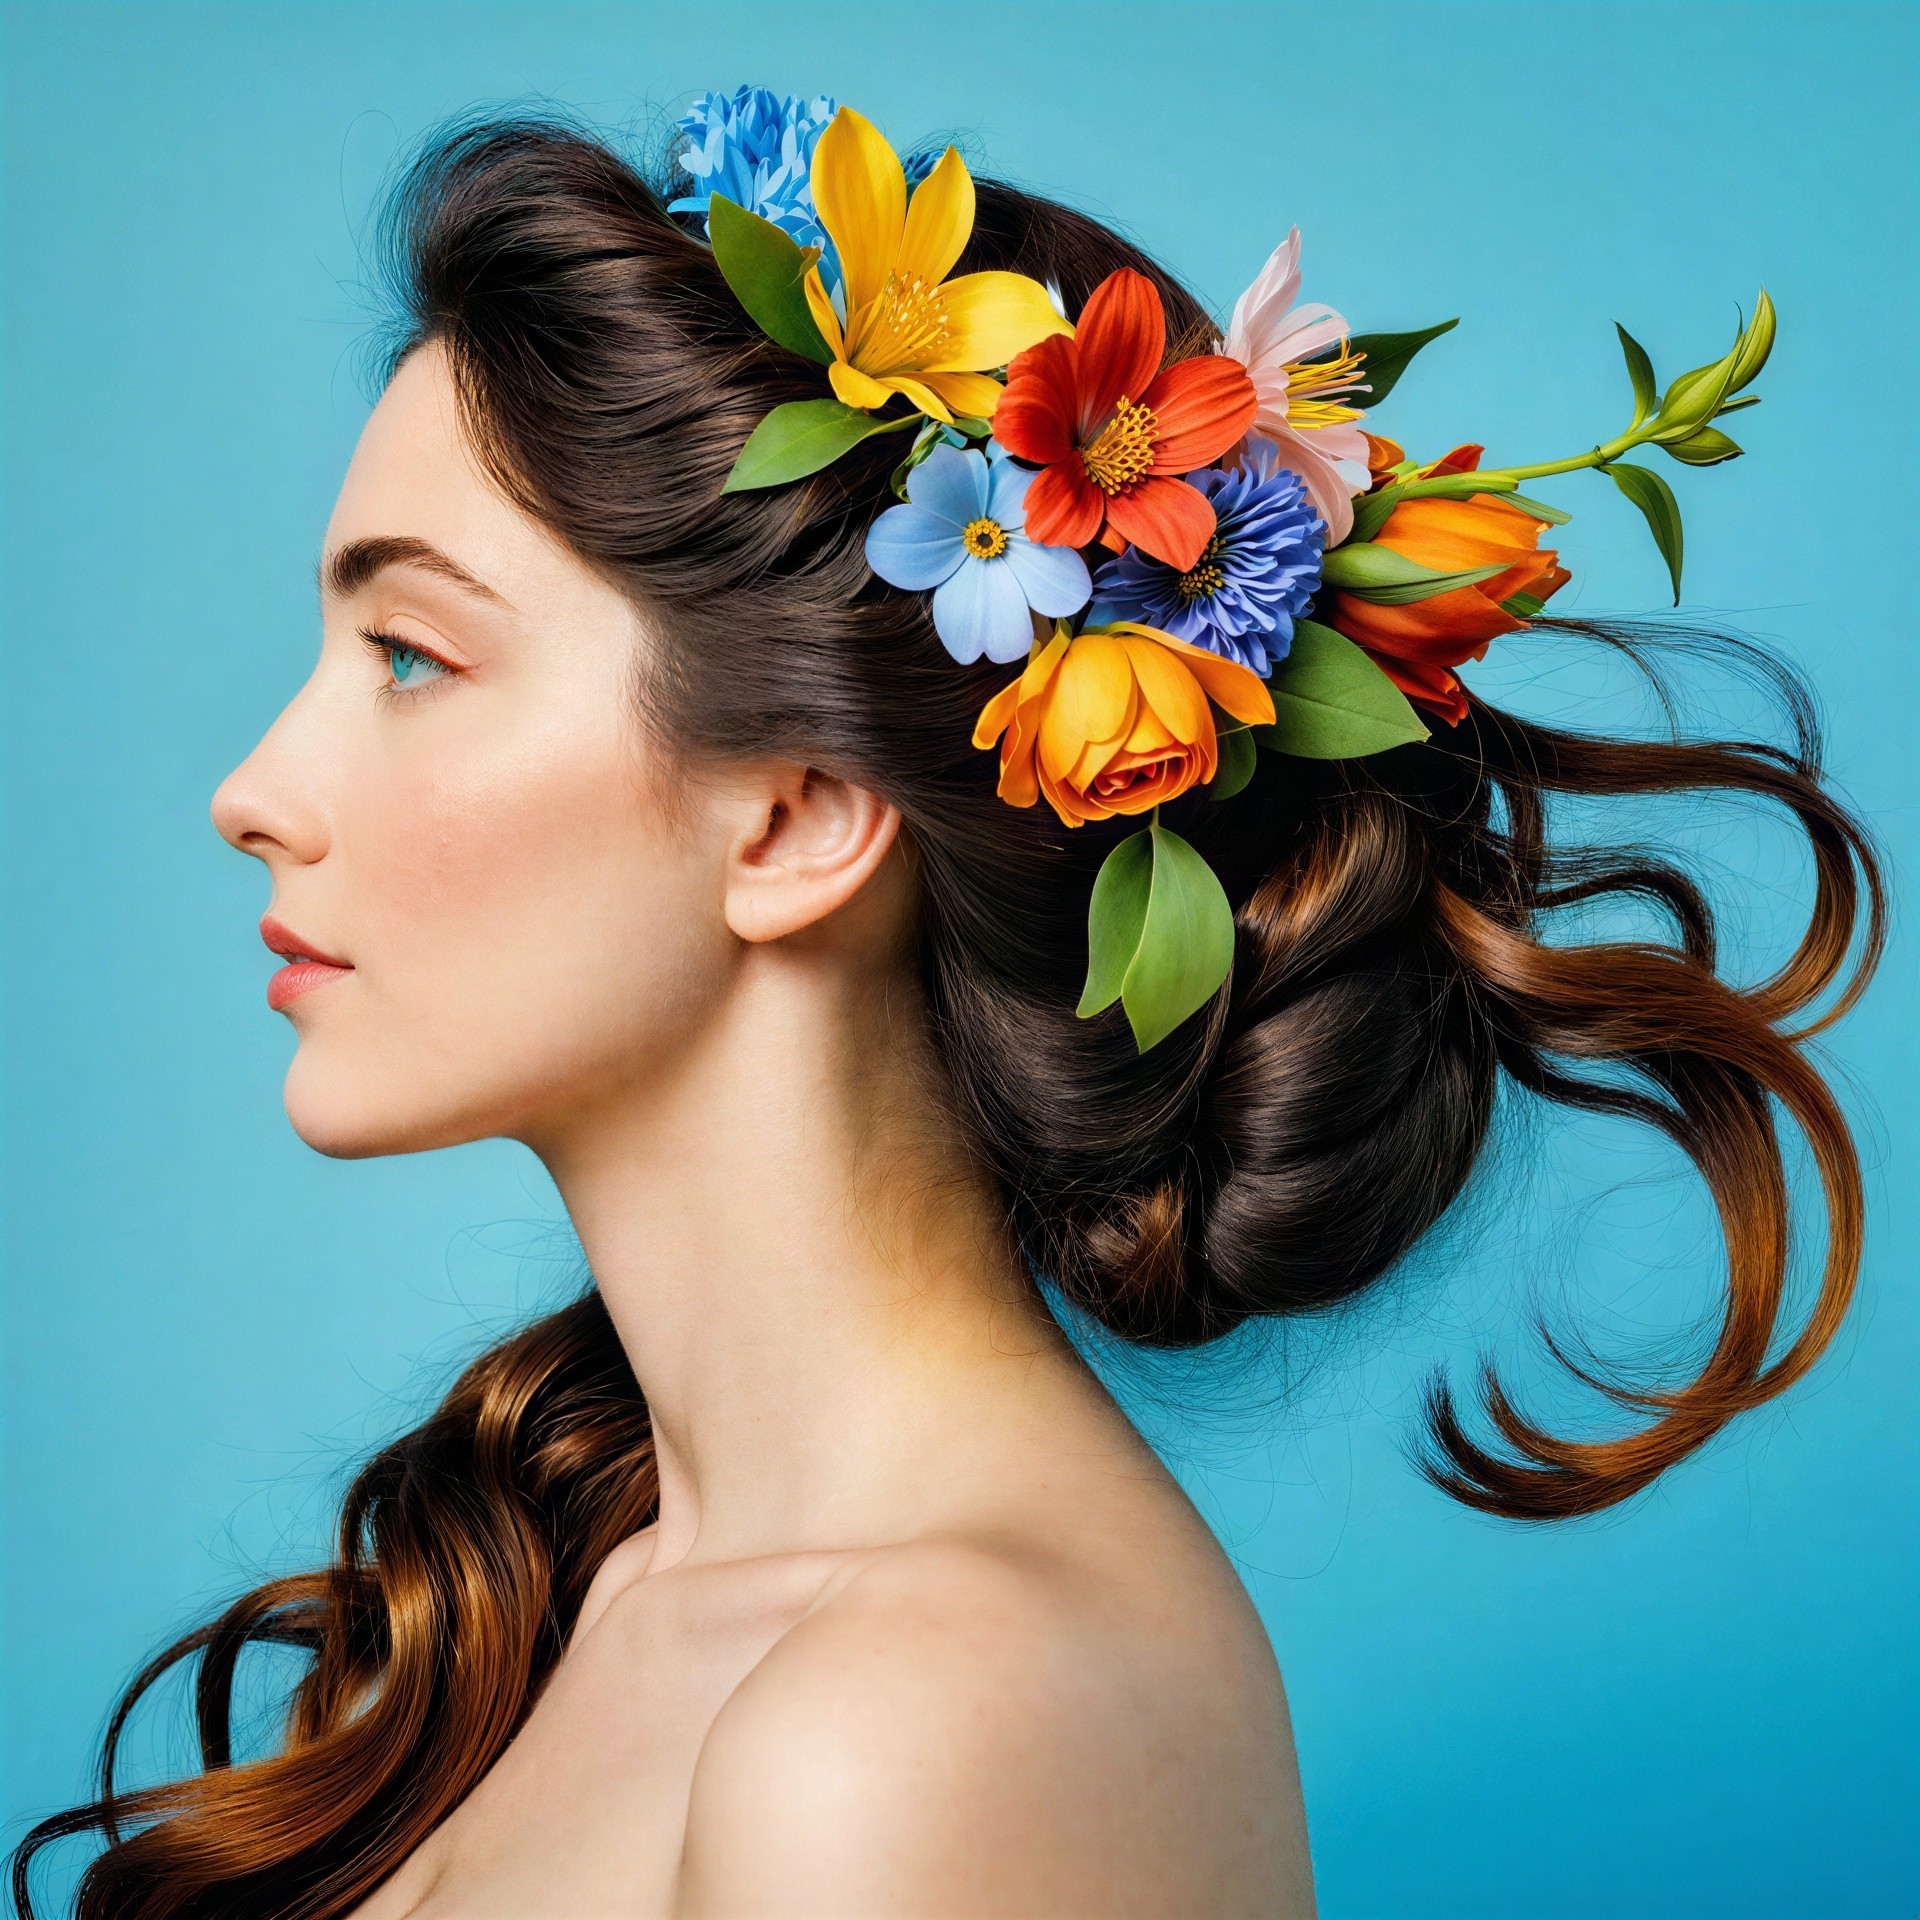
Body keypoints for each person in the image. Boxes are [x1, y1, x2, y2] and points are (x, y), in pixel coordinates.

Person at [11, 97, 1881, 1920]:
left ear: (802, 811)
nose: (252, 784)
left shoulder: (927, 1721)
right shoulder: (585, 1580)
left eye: (414, 654)